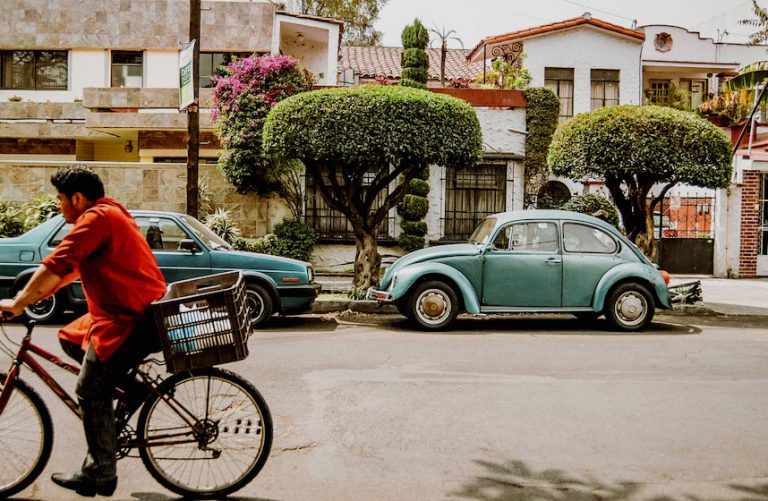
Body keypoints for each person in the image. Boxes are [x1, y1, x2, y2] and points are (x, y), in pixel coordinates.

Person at [0, 166, 166, 497]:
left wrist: (19, 302)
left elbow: (56, 262)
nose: (59, 206)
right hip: (123, 313)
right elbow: (69, 268)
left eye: (61, 199)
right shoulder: (110, 211)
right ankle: (130, 390)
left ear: (78, 198)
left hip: (131, 318)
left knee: (89, 388)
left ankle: (100, 474)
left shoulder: (96, 219)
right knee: (71, 337)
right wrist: (35, 297)